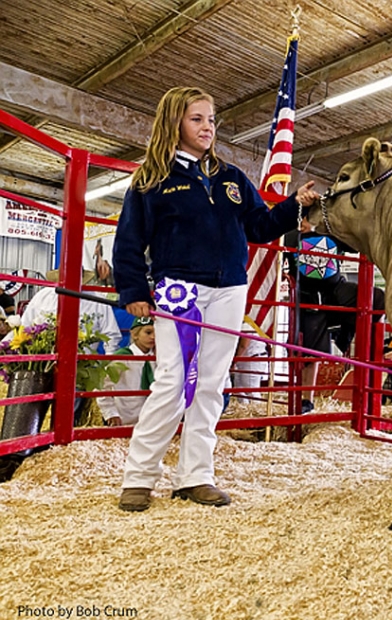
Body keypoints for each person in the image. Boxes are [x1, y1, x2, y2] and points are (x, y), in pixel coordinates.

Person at [112, 86, 320, 512]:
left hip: (230, 288)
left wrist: (293, 206)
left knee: (211, 384)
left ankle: (195, 475)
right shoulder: (151, 182)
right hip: (179, 291)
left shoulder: (231, 178)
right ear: (174, 123)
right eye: (197, 119)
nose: (207, 127)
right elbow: (128, 243)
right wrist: (133, 291)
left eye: (210, 120)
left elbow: (260, 227)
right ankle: (139, 477)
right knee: (173, 382)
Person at [284, 218, 385, 413]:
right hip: (308, 296)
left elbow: (357, 245)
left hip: (336, 289)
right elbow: (281, 261)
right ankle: (307, 399)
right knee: (310, 352)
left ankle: (373, 347)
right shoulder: (291, 236)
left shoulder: (331, 231)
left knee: (377, 298)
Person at [21, 270, 121, 354]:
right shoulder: (43, 296)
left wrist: (108, 364)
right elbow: (24, 327)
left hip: (85, 365)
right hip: (44, 363)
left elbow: (111, 335)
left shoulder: (97, 299)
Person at [97, 316, 155, 427]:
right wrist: (110, 413)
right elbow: (102, 385)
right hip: (125, 419)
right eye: (148, 332)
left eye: (157, 333)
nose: (153, 337)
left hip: (151, 421)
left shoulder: (158, 357)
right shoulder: (122, 357)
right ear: (134, 334)